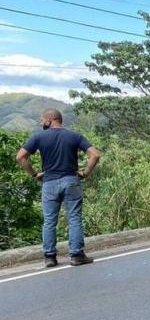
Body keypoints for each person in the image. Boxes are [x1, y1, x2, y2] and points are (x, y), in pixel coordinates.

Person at [15, 108, 101, 268]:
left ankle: (50, 257)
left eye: (43, 120)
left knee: (49, 221)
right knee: (74, 218)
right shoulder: (74, 136)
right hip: (71, 180)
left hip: (49, 182)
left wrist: (34, 174)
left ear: (49, 120)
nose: (42, 123)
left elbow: (21, 157)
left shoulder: (39, 137)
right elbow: (95, 155)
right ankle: (76, 255)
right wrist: (85, 172)